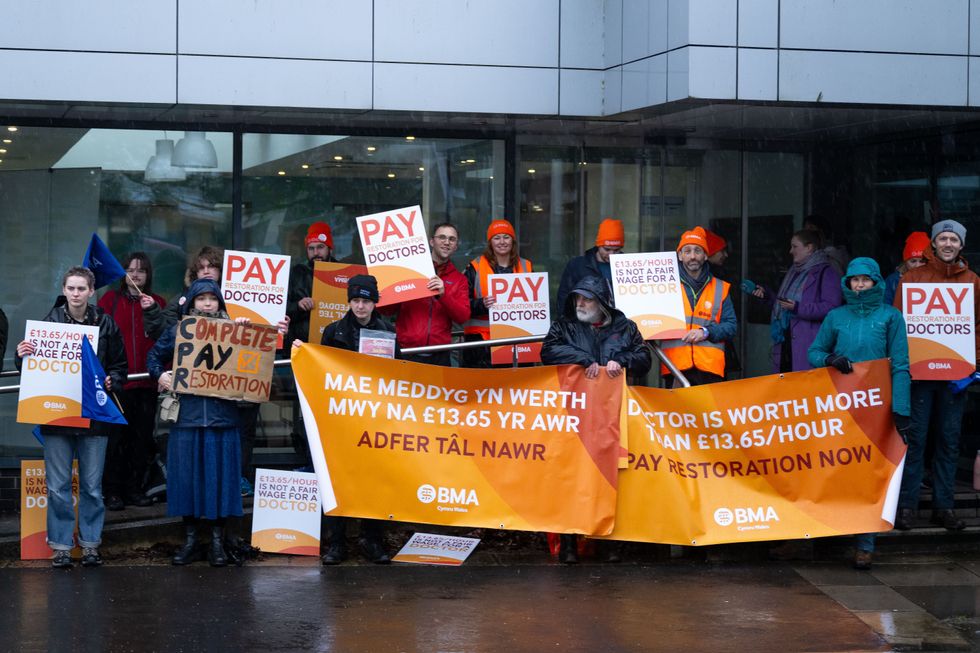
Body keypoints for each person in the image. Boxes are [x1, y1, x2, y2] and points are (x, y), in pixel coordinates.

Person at [15, 266, 128, 569]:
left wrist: (112, 380)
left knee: (92, 487)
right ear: (63, 290)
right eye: (71, 288)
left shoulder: (107, 324)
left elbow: (120, 366)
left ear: (92, 291)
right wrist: (21, 353)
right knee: (57, 486)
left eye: (82, 289)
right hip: (57, 416)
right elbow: (31, 369)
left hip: (94, 418)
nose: (76, 293)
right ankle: (62, 546)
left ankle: (91, 545)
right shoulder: (47, 324)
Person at [808, 257, 911, 570]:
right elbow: (814, 353)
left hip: (877, 410)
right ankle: (816, 534)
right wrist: (830, 357)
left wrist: (901, 409)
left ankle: (865, 545)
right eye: (854, 280)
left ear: (876, 282)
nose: (860, 285)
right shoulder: (836, 316)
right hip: (840, 407)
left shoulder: (891, 317)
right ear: (848, 284)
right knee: (833, 471)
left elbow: (902, 365)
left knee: (870, 477)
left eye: (865, 280)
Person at [541, 275, 652, 564]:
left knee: (612, 477)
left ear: (602, 302)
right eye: (577, 298)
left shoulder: (625, 328)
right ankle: (568, 545)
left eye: (587, 298)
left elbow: (644, 358)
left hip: (613, 416)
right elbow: (548, 351)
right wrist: (582, 357)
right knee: (572, 477)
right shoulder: (565, 326)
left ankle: (609, 545)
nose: (580, 303)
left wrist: (623, 359)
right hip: (574, 415)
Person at [148, 278, 253, 567]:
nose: (207, 303)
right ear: (191, 302)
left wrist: (248, 332)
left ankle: (218, 542)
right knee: (187, 481)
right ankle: (192, 540)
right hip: (188, 418)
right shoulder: (179, 330)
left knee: (220, 481)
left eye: (212, 298)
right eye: (201, 298)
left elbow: (255, 360)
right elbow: (154, 355)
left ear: (220, 302)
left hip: (223, 419)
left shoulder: (234, 329)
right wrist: (160, 374)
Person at [294, 274, 395, 565]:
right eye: (355, 300)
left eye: (365, 301)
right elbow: (321, 369)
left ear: (374, 302)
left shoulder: (388, 331)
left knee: (374, 481)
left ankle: (371, 539)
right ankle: (336, 543)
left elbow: (399, 373)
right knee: (336, 480)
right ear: (349, 301)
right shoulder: (334, 331)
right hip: (340, 418)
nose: (360, 306)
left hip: (375, 418)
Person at [893, 219, 980, 531]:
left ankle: (944, 507)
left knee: (949, 441)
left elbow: (978, 327)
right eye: (942, 238)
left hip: (956, 378)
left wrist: (974, 364)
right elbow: (898, 325)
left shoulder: (972, 280)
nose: (948, 244)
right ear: (934, 243)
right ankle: (906, 506)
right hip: (919, 376)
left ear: (961, 245)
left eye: (953, 240)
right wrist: (904, 367)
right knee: (915, 441)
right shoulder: (913, 278)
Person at [98, 252, 166, 510]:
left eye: (141, 270)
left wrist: (165, 374)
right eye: (131, 269)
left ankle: (134, 489)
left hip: (146, 385)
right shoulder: (109, 300)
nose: (135, 275)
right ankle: (112, 491)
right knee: (115, 442)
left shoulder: (157, 302)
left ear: (148, 275)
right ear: (123, 274)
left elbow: (165, 342)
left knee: (141, 442)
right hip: (117, 385)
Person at [745, 229, 842, 373]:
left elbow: (832, 308)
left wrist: (798, 308)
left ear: (809, 248)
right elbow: (785, 304)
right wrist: (767, 296)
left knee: (805, 390)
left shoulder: (827, 272)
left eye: (794, 246)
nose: (790, 251)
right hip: (786, 341)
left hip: (807, 343)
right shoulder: (794, 271)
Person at [381, 222, 470, 366]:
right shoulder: (410, 270)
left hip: (440, 354)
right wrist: (386, 293)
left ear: (456, 246)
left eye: (452, 239)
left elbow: (463, 317)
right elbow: (386, 310)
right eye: (442, 237)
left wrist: (443, 295)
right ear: (431, 241)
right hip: (406, 352)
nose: (447, 242)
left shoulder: (459, 279)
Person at [660, 227, 736, 387]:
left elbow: (731, 326)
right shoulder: (665, 286)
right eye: (687, 251)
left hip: (709, 369)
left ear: (706, 255)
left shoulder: (721, 288)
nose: (693, 256)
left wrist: (706, 332)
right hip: (675, 368)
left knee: (708, 413)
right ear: (680, 256)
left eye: (698, 250)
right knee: (677, 413)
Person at [462, 219, 533, 367]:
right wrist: (481, 304)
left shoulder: (526, 266)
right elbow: (461, 304)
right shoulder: (475, 267)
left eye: (506, 237)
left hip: (517, 341)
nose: (502, 242)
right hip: (481, 344)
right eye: (497, 237)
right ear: (490, 242)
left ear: (513, 241)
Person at [286, 221, 337, 349]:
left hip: (334, 345)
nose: (315, 253)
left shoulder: (343, 273)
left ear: (329, 249)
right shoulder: (296, 273)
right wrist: (298, 306)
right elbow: (280, 308)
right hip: (300, 345)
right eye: (311, 248)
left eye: (320, 247)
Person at [556, 218, 624, 310]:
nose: (611, 254)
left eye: (616, 250)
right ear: (598, 245)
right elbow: (564, 298)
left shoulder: (629, 267)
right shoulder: (577, 265)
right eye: (607, 249)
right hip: (585, 321)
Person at [157, 246, 224, 335]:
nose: (206, 271)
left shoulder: (233, 296)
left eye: (211, 266)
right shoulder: (183, 299)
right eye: (201, 268)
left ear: (220, 269)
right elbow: (162, 331)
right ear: (195, 272)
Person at [883, 231, 930, 306]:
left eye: (922, 261)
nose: (917, 265)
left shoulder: (936, 279)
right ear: (905, 262)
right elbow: (886, 309)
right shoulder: (893, 281)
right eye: (913, 261)